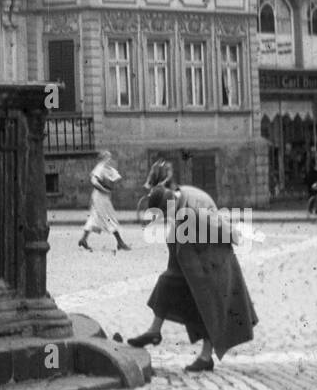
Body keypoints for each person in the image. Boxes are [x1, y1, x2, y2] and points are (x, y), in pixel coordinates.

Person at [127, 177, 257, 372]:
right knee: (166, 283)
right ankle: (154, 331)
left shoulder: (197, 207)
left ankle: (206, 357)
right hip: (190, 260)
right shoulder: (177, 199)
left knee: (207, 303)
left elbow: (226, 232)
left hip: (213, 261)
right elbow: (177, 233)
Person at [78, 151, 130, 253]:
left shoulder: (108, 168)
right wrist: (103, 189)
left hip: (103, 196)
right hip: (100, 197)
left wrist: (112, 183)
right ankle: (120, 242)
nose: (110, 159)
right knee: (109, 218)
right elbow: (93, 181)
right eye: (108, 157)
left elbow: (116, 179)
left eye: (110, 157)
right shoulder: (100, 167)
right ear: (103, 158)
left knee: (95, 217)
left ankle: (83, 239)